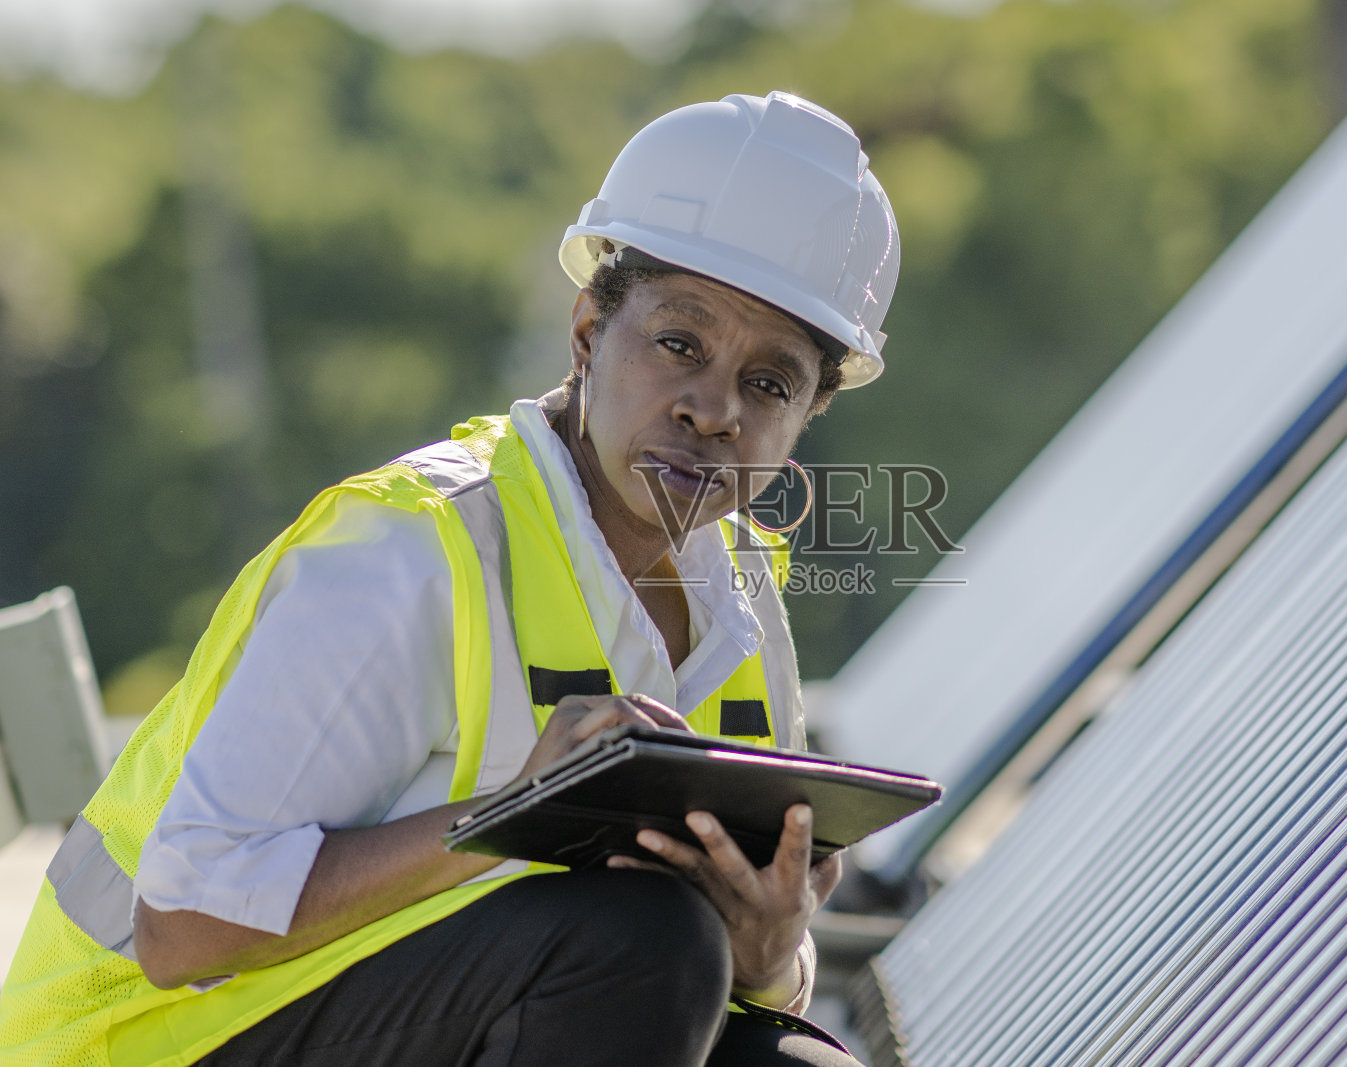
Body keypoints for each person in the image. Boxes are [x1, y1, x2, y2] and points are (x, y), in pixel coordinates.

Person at [0, 90, 900, 1066]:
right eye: (678, 342)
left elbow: (740, 964)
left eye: (770, 383)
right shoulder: (412, 548)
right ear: (588, 333)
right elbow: (181, 924)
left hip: (473, 1021)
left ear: (807, 415)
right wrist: (515, 812)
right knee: (646, 939)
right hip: (151, 1044)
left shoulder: (740, 598)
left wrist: (772, 960)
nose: (715, 408)